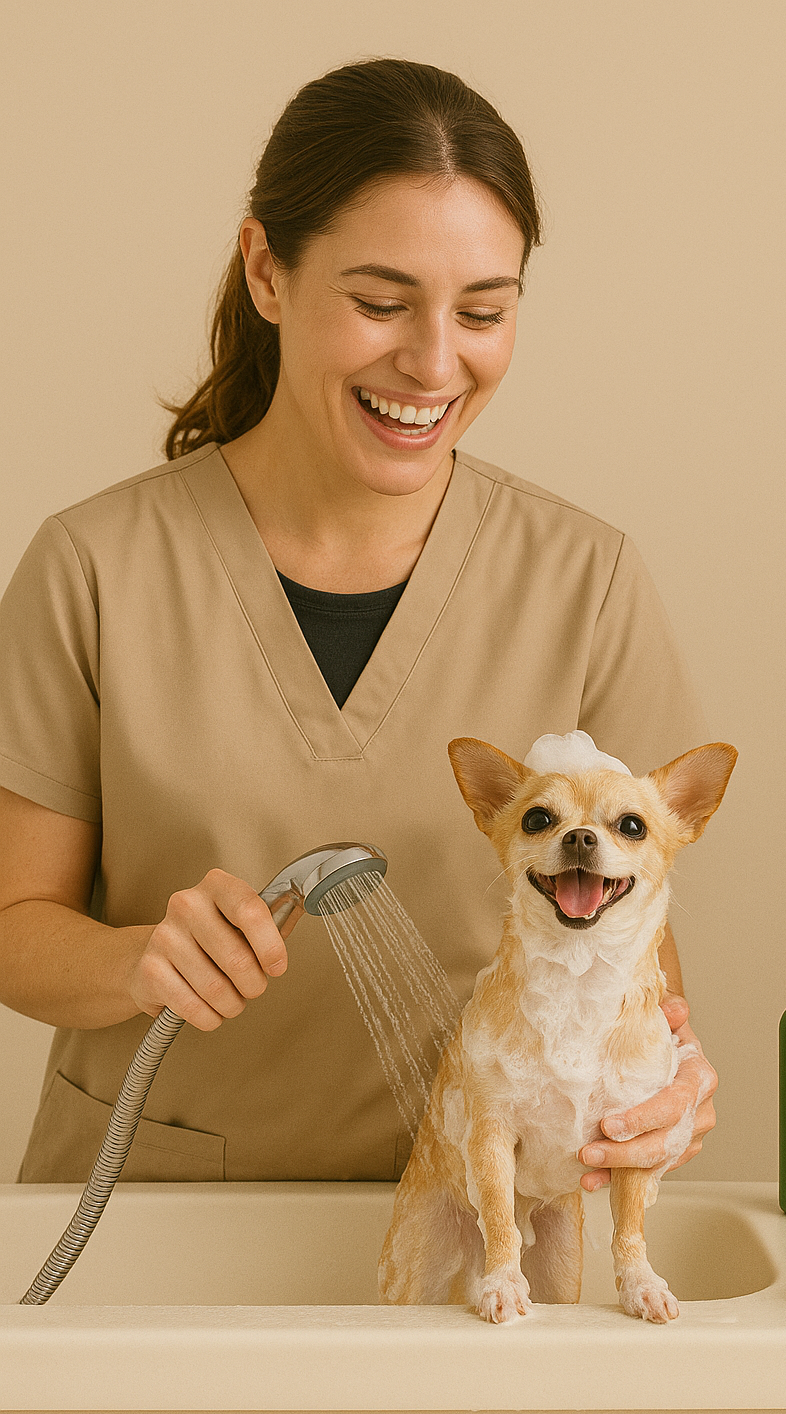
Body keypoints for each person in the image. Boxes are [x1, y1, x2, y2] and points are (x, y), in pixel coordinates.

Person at [0, 58, 718, 1188]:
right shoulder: (94, 569)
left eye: (483, 311)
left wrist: (668, 1079)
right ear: (266, 273)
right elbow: (14, 920)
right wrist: (142, 961)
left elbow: (629, 936)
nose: (435, 362)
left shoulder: (585, 579)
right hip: (152, 1209)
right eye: (380, 304)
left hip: (479, 1225)